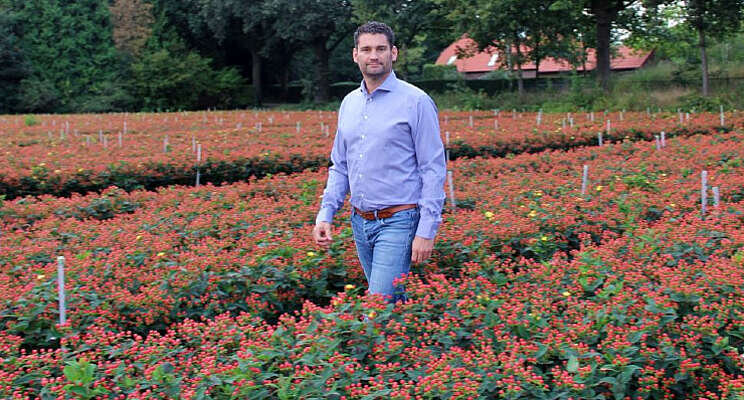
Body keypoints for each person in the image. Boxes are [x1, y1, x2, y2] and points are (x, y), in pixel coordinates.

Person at [312, 21, 446, 304]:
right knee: (391, 304)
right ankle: (414, 343)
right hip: (360, 221)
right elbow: (340, 165)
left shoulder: (416, 102)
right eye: (367, 49)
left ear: (393, 53)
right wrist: (326, 213)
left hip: (399, 219)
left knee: (377, 305)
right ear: (355, 55)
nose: (374, 55)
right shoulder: (349, 103)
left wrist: (426, 230)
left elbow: (433, 169)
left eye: (381, 49)